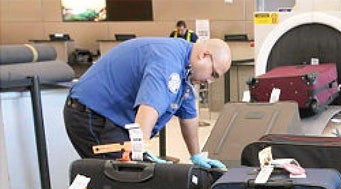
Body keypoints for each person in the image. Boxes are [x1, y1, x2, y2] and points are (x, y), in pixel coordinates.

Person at [63, 37, 231, 168]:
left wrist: (196, 155)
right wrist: (139, 150)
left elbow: (189, 117)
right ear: (204, 55)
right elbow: (149, 108)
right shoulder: (169, 62)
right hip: (92, 113)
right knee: (122, 179)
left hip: (113, 116)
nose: (209, 81)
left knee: (128, 176)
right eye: (213, 74)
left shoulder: (186, 67)